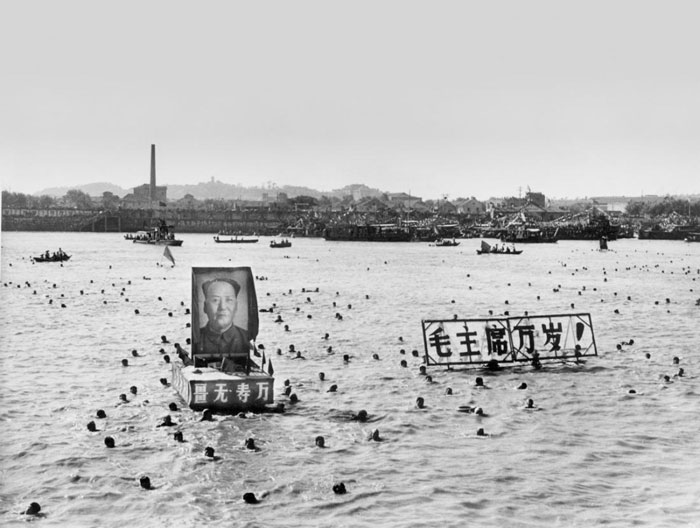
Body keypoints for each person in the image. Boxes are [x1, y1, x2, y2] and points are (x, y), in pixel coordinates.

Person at [199, 278, 251, 369]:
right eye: (215, 300)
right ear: (205, 307)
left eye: (229, 300)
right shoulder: (196, 339)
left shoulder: (247, 338)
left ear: (236, 306)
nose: (222, 307)